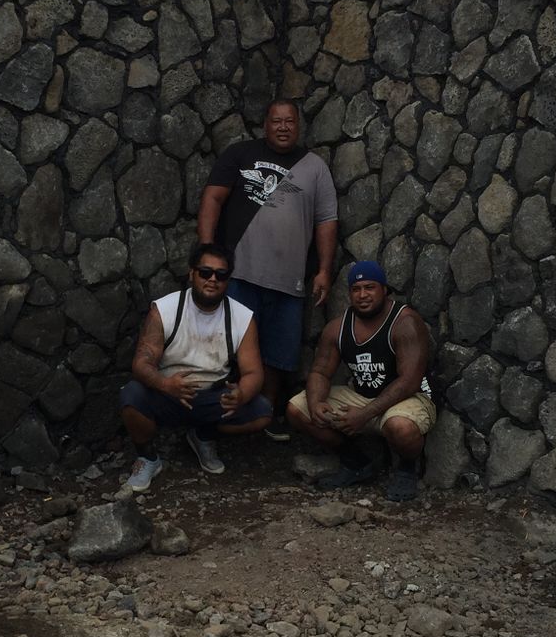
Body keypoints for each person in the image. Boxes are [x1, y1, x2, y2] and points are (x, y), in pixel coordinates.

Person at [197, 99, 338, 442]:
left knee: (279, 352)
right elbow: (212, 198)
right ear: (266, 124)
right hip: (240, 274)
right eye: (277, 121)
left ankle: (267, 411)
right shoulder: (240, 154)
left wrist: (323, 270)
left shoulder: (314, 167)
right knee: (227, 347)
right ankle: (219, 415)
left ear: (299, 126)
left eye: (290, 121)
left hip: (290, 281)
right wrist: (206, 252)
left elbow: (327, 221)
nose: (284, 127)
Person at [119, 243, 272, 493]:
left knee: (262, 412)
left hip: (212, 395)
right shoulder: (165, 309)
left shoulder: (242, 317)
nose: (212, 279)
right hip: (168, 393)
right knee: (131, 396)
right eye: (205, 272)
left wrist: (241, 394)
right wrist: (165, 384)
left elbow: (254, 372)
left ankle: (203, 436)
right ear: (192, 274)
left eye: (221, 275)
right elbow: (141, 363)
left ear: (228, 280)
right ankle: (147, 458)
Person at [286, 261, 435, 502]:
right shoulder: (338, 328)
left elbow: (409, 381)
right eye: (356, 289)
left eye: (370, 287)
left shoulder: (404, 321)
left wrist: (364, 415)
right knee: (297, 408)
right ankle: (356, 463)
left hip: (409, 398)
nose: (363, 295)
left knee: (400, 427)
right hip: (363, 398)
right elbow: (320, 372)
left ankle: (407, 467)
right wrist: (315, 403)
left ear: (384, 290)